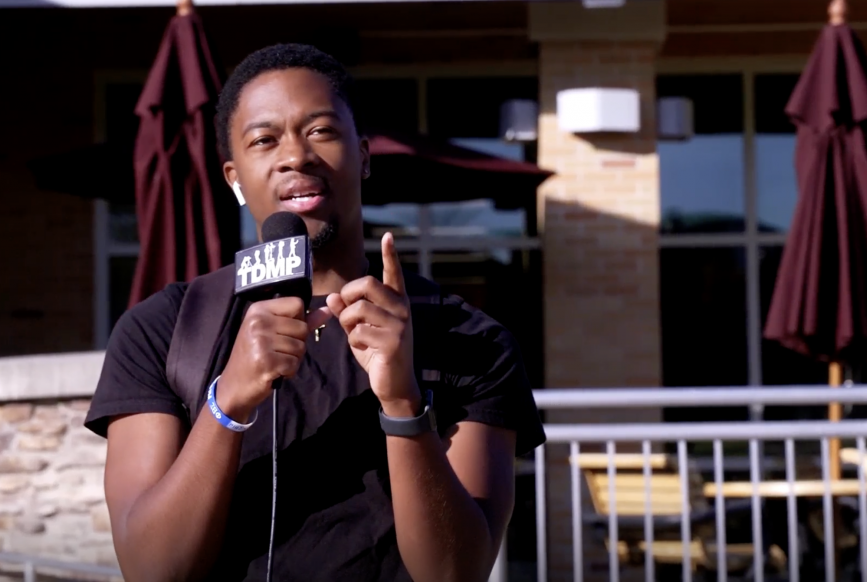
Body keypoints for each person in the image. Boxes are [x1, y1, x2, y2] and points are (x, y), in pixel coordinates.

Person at [84, 43, 546, 582]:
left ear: (365, 156)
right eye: (264, 139)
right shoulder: (162, 330)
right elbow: (151, 568)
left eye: (321, 131)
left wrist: (402, 402)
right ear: (233, 177)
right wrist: (227, 402)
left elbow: (456, 573)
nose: (295, 156)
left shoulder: (467, 336)